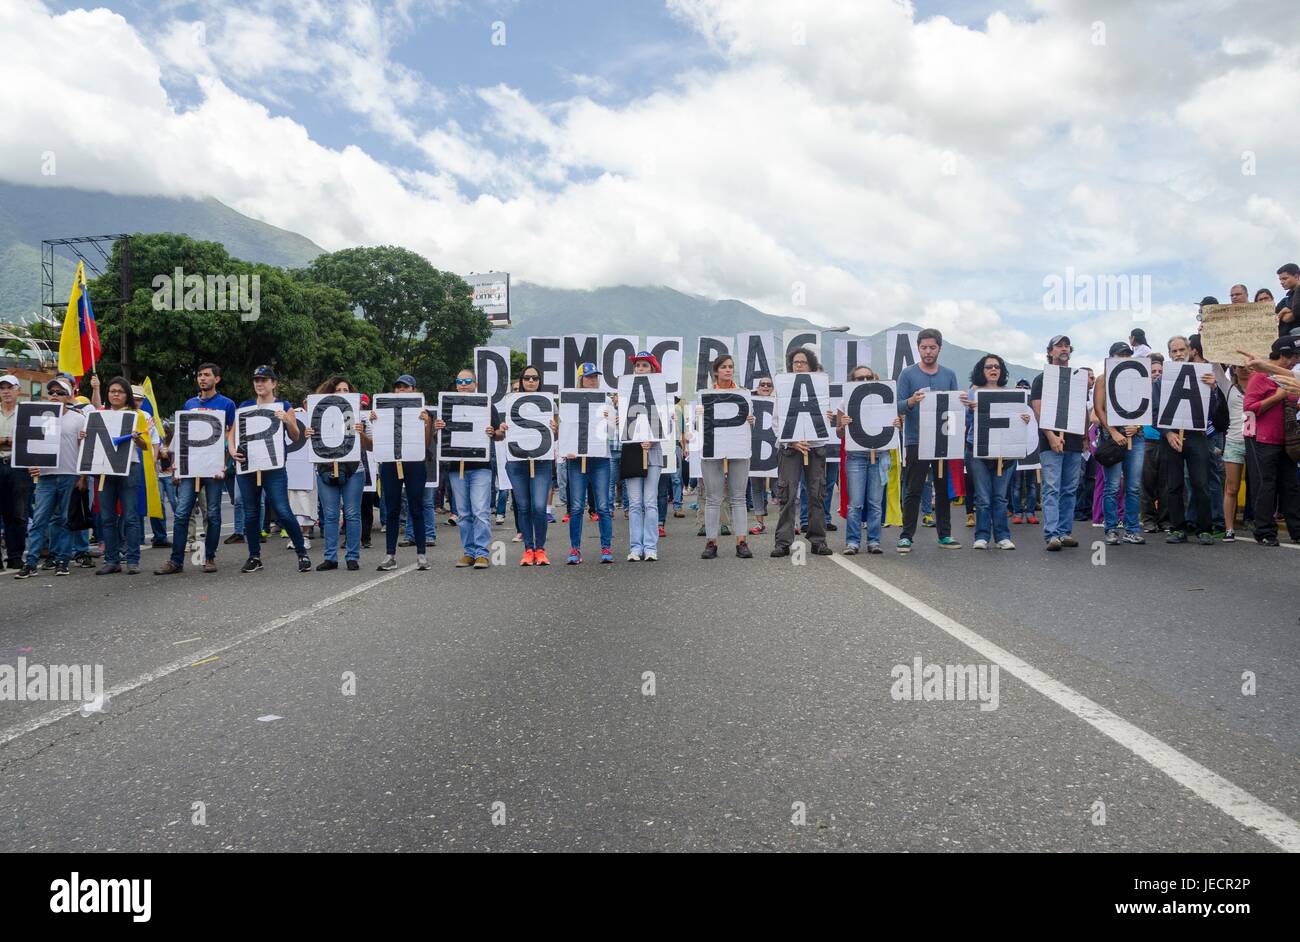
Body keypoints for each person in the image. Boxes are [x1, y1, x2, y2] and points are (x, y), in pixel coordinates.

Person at [154, 363, 236, 575]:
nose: (202, 378)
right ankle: (176, 561)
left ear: (216, 379)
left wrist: (225, 465)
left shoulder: (227, 404)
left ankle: (209, 557)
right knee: (182, 514)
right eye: (200, 375)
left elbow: (231, 436)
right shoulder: (189, 403)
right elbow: (183, 436)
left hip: (214, 468)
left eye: (207, 375)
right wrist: (176, 467)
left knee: (214, 514)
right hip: (191, 468)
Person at [231, 365, 312, 573]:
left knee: (283, 510)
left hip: (273, 467)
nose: (259, 383)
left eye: (264, 380)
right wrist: (232, 451)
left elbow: (296, 437)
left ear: (273, 383)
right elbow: (231, 434)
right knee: (251, 513)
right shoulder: (246, 406)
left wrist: (287, 421)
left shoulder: (284, 406)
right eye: (256, 380)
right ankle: (254, 556)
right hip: (248, 466)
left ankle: (301, 552)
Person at [894, 328, 962, 553]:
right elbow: (898, 405)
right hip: (916, 440)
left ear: (939, 348)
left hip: (942, 440)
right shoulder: (907, 374)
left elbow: (954, 408)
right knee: (913, 489)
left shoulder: (949, 374)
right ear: (918, 348)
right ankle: (906, 536)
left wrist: (964, 403)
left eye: (932, 347)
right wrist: (912, 401)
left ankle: (945, 535)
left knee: (942, 490)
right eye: (924, 347)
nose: (928, 351)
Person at [13, 378, 86, 579]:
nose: (55, 395)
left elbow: (84, 450)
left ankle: (62, 560)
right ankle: (31, 562)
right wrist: (31, 466)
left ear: (69, 396)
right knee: (39, 520)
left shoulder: (78, 418)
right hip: (45, 476)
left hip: (69, 474)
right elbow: (27, 446)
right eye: (52, 392)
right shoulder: (39, 416)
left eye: (60, 393)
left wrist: (83, 476)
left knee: (64, 519)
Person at [771, 345, 837, 557]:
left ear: (811, 366)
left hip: (815, 448)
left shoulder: (821, 388)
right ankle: (783, 541)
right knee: (788, 495)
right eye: (795, 362)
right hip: (790, 449)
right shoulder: (781, 389)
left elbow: (830, 419)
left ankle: (818, 540)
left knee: (816, 494)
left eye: (803, 362)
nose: (798, 366)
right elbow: (776, 422)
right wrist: (791, 442)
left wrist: (828, 418)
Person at [302, 376, 372, 571]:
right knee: (331, 515)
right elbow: (309, 446)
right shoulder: (319, 416)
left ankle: (352, 556)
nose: (342, 393)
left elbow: (371, 446)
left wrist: (361, 433)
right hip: (325, 469)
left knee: (352, 514)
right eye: (338, 390)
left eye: (345, 390)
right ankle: (330, 557)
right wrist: (309, 435)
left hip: (353, 470)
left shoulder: (360, 416)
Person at [87, 376, 154, 575]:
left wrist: (137, 438)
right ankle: (112, 560)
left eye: (120, 391)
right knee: (107, 517)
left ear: (127, 396)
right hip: (105, 470)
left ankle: (133, 560)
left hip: (129, 469)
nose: (115, 394)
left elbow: (145, 446)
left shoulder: (137, 415)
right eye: (112, 391)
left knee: (130, 517)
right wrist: (85, 435)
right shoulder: (100, 414)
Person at [1158, 336, 1220, 545]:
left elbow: (1213, 410)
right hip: (1171, 437)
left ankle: (1205, 529)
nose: (1178, 354)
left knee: (1201, 484)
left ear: (1189, 351)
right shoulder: (1161, 381)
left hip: (1196, 436)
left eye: (1181, 350)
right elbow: (1156, 411)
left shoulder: (1204, 377)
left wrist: (1213, 389)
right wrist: (1168, 433)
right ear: (1169, 354)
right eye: (1174, 351)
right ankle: (1177, 528)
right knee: (1174, 485)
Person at [962, 354, 1025, 550]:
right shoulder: (972, 394)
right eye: (989, 366)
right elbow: (965, 424)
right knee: (983, 497)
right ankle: (981, 536)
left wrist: (1023, 419)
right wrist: (971, 411)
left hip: (1004, 453)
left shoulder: (1011, 394)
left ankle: (1002, 536)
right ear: (982, 370)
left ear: (1001, 370)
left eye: (997, 366)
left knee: (1000, 497)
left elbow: (1015, 423)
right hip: (978, 451)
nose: (993, 369)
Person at [373, 373, 434, 571]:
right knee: (392, 509)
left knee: (416, 507)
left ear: (413, 390)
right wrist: (374, 421)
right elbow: (377, 440)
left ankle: (422, 555)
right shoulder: (383, 410)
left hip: (414, 462)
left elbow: (425, 445)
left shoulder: (423, 411)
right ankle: (390, 555)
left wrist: (427, 423)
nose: (401, 390)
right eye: (398, 387)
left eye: (406, 387)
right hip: (391, 462)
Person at [1242, 336, 1300, 545]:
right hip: (1262, 439)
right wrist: (1278, 396)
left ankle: (1297, 531)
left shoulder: (1289, 376)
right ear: (1282, 355)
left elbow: (1294, 402)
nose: (1295, 361)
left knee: (1291, 486)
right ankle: (1265, 532)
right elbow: (1249, 407)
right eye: (1293, 356)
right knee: (1266, 486)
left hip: (1287, 441)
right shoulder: (1259, 377)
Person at [698, 354, 754, 559]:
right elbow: (697, 423)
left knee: (738, 497)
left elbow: (750, 421)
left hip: (738, 447)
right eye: (724, 367)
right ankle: (711, 542)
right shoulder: (705, 395)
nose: (728, 370)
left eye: (731, 366)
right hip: (713, 447)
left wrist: (750, 419)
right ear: (716, 371)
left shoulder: (744, 394)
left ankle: (742, 541)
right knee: (713, 498)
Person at [1031, 335, 1083, 551]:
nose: (1063, 348)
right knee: (1052, 487)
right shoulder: (1041, 379)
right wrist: (1051, 436)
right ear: (1050, 351)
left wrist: (1087, 438)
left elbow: (1081, 409)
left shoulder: (1078, 377)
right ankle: (1052, 534)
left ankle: (1065, 531)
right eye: (1058, 345)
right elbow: (1038, 410)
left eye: (1066, 345)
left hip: (1074, 440)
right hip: (1050, 441)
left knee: (1070, 488)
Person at [502, 364, 558, 566]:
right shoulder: (510, 402)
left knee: (539, 506)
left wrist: (555, 428)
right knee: (523, 506)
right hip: (517, 462)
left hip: (541, 462)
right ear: (522, 380)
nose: (531, 381)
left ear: (540, 381)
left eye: (535, 378)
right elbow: (500, 436)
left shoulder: (549, 403)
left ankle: (540, 548)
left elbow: (559, 434)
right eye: (527, 378)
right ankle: (528, 549)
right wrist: (502, 429)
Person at [445, 368, 502, 569]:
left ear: (475, 384)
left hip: (481, 466)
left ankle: (482, 553)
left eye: (468, 380)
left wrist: (494, 432)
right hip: (456, 467)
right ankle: (468, 552)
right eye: (459, 381)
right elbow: (440, 438)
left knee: (480, 510)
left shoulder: (487, 405)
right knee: (463, 513)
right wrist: (438, 426)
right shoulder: (448, 406)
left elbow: (499, 434)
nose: (463, 384)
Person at [1092, 343, 1147, 546]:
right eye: (1120, 354)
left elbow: (1146, 406)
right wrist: (1113, 431)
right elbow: (1099, 409)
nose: (1124, 357)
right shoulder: (1102, 379)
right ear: (1111, 357)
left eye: (1127, 354)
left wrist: (1138, 425)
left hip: (1136, 436)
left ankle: (1132, 529)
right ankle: (1111, 529)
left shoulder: (1138, 378)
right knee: (1112, 486)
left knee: (1133, 486)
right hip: (1112, 438)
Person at [841, 366, 899, 554]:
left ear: (874, 378)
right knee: (855, 503)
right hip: (856, 458)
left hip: (880, 455)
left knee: (875, 502)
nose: (865, 380)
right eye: (860, 378)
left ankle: (874, 541)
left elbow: (893, 427)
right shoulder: (845, 402)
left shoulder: (886, 401)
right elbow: (839, 433)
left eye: (868, 377)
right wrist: (842, 425)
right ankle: (852, 542)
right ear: (853, 382)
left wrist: (898, 423)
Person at [562, 363, 614, 564]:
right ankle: (575, 549)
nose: (593, 380)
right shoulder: (570, 400)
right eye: (589, 377)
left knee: (602, 506)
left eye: (595, 377)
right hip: (576, 460)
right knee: (575, 507)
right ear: (581, 379)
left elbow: (611, 434)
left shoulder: (606, 399)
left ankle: (606, 547)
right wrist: (567, 447)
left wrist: (610, 421)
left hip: (600, 459)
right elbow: (566, 430)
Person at [622, 351, 665, 561]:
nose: (640, 369)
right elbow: (614, 427)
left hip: (654, 454)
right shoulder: (624, 394)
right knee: (635, 503)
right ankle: (635, 547)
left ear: (653, 369)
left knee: (650, 501)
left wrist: (655, 439)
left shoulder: (661, 395)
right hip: (632, 452)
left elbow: (669, 427)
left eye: (644, 366)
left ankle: (650, 547)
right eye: (638, 365)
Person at [0, 374, 29, 570]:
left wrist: (8, 440)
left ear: (18, 390)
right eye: (2, 388)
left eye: (10, 387)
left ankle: (15, 555)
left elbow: (28, 440)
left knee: (18, 514)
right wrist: (8, 440)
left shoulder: (25, 414)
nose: (6, 391)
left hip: (19, 465)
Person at [1221, 364, 1249, 542]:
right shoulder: (1228, 387)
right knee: (1232, 488)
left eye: (1248, 366)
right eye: (1240, 366)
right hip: (1234, 442)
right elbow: (1215, 367)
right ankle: (1229, 529)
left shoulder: (1263, 384)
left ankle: (1263, 529)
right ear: (1233, 369)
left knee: (1263, 487)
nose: (1245, 369)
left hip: (1257, 442)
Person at [747, 376, 774, 535]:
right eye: (762, 384)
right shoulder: (750, 405)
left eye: (768, 385)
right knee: (756, 487)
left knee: (781, 487)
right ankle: (759, 523)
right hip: (755, 450)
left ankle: (791, 522)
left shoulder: (780, 403)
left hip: (775, 452)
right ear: (757, 387)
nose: (765, 387)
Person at [1275, 263, 1299, 336]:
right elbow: (1275, 319)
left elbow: (1289, 317)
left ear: (1296, 277)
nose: (1281, 282)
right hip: (1285, 339)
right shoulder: (1284, 301)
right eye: (1280, 279)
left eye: (1285, 278)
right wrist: (1282, 312)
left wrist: (1282, 314)